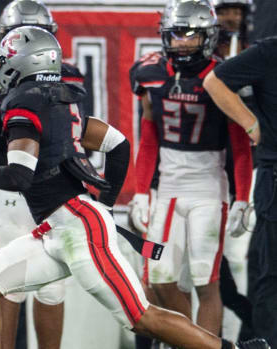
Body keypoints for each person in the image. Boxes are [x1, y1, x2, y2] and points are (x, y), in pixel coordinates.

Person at [0, 24, 269, 349]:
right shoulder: (59, 101)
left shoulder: (23, 107)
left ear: (23, 64)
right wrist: (107, 202)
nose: (0, 71)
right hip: (57, 228)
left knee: (141, 318)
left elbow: (19, 177)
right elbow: (118, 145)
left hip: (77, 228)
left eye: (5, 63)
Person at [0, 1, 84, 348]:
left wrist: (24, 173)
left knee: (39, 287)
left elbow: (71, 141)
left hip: (37, 186)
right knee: (15, 285)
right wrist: (16, 174)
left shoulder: (66, 74)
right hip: (23, 188)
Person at [128, 0, 252, 336]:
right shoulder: (149, 73)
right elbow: (149, 138)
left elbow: (240, 145)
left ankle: (201, 343)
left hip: (208, 186)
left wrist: (243, 196)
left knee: (204, 279)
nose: (181, 42)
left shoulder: (223, 75)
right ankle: (191, 341)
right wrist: (141, 191)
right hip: (167, 184)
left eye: (190, 34)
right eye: (175, 34)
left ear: (208, 36)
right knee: (160, 277)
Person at [204, 36, 277, 348]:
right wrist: (251, 124)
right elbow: (214, 81)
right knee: (271, 275)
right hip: (275, 178)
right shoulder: (270, 52)